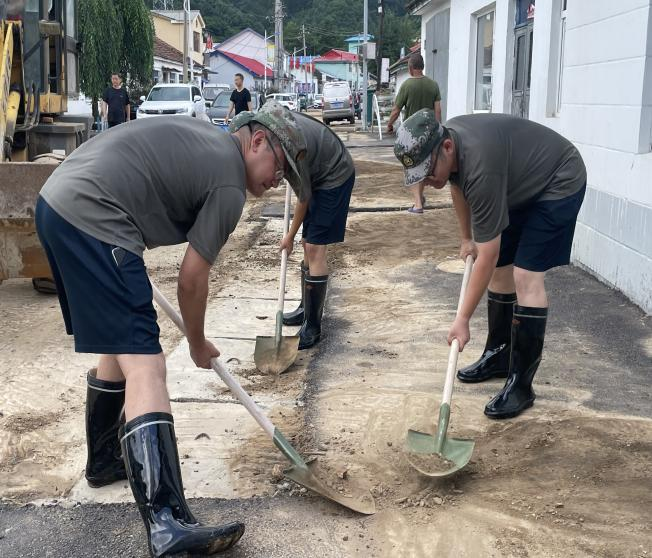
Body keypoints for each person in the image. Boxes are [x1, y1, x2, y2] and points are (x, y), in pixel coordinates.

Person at [34, 101, 306, 557]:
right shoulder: (228, 182)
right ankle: (166, 522)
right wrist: (197, 344)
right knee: (147, 364)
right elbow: (191, 278)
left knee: (118, 345)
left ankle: (104, 460)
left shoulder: (209, 145)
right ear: (257, 141)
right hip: (95, 217)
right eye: (280, 167)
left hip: (58, 204)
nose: (278, 180)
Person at [394, 109, 586, 419]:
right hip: (519, 184)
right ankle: (499, 354)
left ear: (446, 148)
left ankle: (522, 385)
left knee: (525, 275)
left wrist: (462, 319)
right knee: (500, 273)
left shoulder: (481, 167)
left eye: (428, 173)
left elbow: (487, 255)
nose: (427, 183)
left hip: (558, 179)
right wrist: (466, 236)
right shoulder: (450, 145)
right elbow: (458, 185)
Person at [233, 111, 355, 350]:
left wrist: (288, 235)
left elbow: (304, 198)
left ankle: (313, 326)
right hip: (319, 172)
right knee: (307, 243)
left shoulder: (292, 148)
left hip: (334, 175)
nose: (276, 181)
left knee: (314, 246)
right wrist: (294, 236)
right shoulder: (277, 135)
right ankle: (305, 308)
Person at [387, 53, 442, 214]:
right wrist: (438, 129)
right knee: (425, 166)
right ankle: (420, 198)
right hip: (430, 133)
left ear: (410, 68)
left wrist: (389, 124)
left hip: (411, 135)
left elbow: (396, 110)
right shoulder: (433, 85)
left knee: (411, 167)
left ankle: (417, 204)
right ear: (422, 67)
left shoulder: (406, 86)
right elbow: (438, 110)